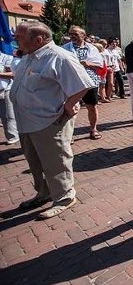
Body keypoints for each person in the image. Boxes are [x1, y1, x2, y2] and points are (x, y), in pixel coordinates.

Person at [10, 21, 95, 219]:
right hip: (27, 122)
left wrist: (68, 104)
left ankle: (65, 196)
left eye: (20, 36)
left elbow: (83, 84)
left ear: (38, 39)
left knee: (56, 161)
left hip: (48, 121)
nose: (16, 40)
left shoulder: (59, 56)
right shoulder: (30, 56)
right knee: (36, 161)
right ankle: (45, 192)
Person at [62, 26, 103, 140]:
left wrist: (88, 63)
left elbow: (99, 64)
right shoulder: (65, 48)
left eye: (75, 34)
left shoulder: (92, 49)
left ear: (83, 35)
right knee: (70, 107)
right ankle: (69, 134)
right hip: (72, 82)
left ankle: (93, 129)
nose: (72, 36)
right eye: (70, 34)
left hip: (90, 81)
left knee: (92, 107)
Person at [0, 50, 19, 144]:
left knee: (8, 115)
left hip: (5, 88)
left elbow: (12, 74)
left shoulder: (6, 58)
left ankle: (13, 136)